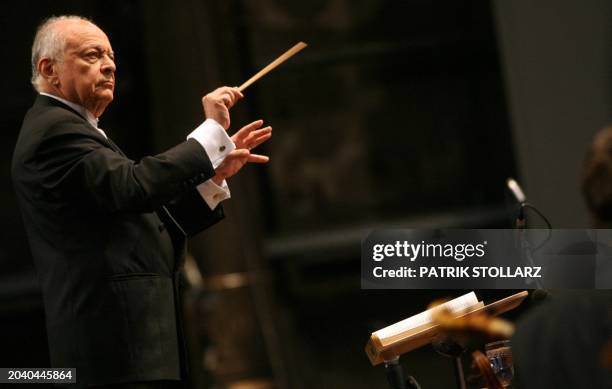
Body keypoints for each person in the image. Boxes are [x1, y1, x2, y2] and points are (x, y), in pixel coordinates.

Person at [11, 15, 272, 389]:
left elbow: (147, 225)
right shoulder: (54, 130)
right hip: (113, 356)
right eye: (92, 55)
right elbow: (135, 186)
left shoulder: (72, 128)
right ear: (49, 69)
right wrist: (211, 133)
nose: (110, 65)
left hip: (132, 352)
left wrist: (215, 176)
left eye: (111, 56)